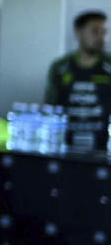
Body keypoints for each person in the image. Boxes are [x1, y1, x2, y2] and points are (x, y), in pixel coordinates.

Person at [45, 10, 111, 150]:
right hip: (64, 147)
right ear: (78, 32)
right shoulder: (60, 67)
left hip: (103, 149)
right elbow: (50, 109)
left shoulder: (109, 66)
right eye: (95, 31)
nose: (101, 37)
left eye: (104, 32)